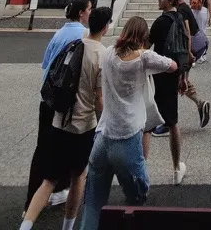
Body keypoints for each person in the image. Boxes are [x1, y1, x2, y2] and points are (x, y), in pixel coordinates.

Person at [77, 16, 181, 230]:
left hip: (103, 135)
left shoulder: (108, 53)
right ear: (143, 37)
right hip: (127, 137)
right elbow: (173, 66)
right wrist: (145, 54)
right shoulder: (143, 58)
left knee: (93, 202)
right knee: (137, 196)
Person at [19, 6, 111, 230]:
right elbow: (99, 98)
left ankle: (25, 225)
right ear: (106, 27)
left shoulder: (74, 44)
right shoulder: (102, 54)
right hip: (83, 124)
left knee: (49, 180)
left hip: (59, 120)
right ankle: (68, 226)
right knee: (78, 175)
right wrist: (103, 124)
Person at [24, 0, 92, 214]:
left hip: (48, 95)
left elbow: (46, 63)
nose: (91, 13)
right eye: (89, 9)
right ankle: (53, 192)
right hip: (62, 99)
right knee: (62, 146)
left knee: (45, 147)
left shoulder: (60, 32)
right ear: (81, 13)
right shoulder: (82, 35)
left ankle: (35, 199)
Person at [152, 0, 210, 130]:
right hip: (186, 50)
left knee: (175, 83)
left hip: (184, 51)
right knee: (179, 80)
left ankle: (169, 121)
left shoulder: (181, 11)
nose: (160, 0)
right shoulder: (183, 9)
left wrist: (188, 52)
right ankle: (199, 104)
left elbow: (186, 32)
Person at [190, 0, 210, 64]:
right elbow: (204, 24)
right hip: (201, 31)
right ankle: (201, 56)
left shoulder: (191, 10)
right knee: (202, 35)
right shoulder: (205, 10)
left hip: (194, 32)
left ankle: (194, 55)